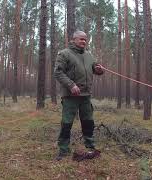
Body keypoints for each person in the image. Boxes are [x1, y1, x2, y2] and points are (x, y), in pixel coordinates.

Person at [53, 30, 104, 160]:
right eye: (81, 39)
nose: (84, 42)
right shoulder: (64, 54)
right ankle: (63, 150)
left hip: (86, 95)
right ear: (74, 39)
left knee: (88, 122)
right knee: (67, 123)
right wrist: (71, 85)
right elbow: (58, 73)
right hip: (70, 96)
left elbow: (95, 69)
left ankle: (90, 147)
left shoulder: (89, 55)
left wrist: (99, 70)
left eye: (85, 40)